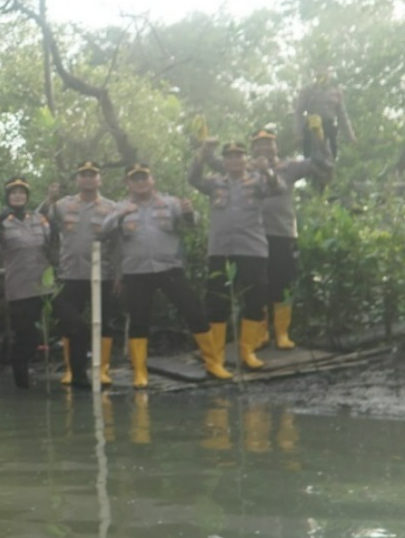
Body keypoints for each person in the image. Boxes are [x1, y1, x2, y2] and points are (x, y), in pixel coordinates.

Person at [205, 127, 331, 351]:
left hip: (282, 232)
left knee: (282, 283)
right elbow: (213, 161)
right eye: (259, 144)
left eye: (269, 143)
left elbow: (320, 162)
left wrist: (319, 136)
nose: (265, 147)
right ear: (252, 149)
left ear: (276, 146)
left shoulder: (289, 167)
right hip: (252, 237)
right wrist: (204, 142)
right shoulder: (245, 167)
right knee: (257, 286)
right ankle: (261, 333)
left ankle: (282, 333)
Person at [101, 164, 223, 384]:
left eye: (144, 178)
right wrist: (119, 215)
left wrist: (188, 212)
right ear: (128, 183)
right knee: (139, 319)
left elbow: (192, 223)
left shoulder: (170, 203)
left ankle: (213, 363)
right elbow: (102, 232)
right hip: (136, 272)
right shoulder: (120, 207)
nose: (140, 182)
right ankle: (140, 371)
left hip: (170, 268)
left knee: (193, 310)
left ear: (152, 180)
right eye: (135, 179)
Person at [189, 139, 283, 371]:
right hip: (221, 250)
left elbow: (278, 188)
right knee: (216, 301)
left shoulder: (258, 180)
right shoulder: (215, 183)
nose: (234, 160)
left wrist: (266, 170)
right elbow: (193, 178)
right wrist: (201, 154)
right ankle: (216, 356)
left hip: (252, 249)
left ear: (245, 159)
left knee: (255, 298)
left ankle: (247, 351)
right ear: (224, 161)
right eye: (229, 157)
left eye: (238, 156)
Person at [44, 162, 120, 388]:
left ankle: (103, 369)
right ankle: (71, 369)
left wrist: (119, 274)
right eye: (83, 175)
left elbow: (117, 244)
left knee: (105, 322)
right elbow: (42, 221)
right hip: (71, 273)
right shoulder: (63, 205)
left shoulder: (111, 207)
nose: (88, 179)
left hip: (102, 274)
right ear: (77, 180)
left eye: (92, 175)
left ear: (99, 179)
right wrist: (49, 198)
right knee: (70, 323)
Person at [0, 177, 55, 389]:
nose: (18, 195)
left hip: (44, 287)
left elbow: (52, 243)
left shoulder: (39, 218)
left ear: (27, 196)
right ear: (7, 197)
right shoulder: (2, 221)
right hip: (18, 288)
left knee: (46, 333)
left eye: (21, 192)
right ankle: (21, 384)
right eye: (13, 192)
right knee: (25, 338)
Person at [295, 66, 354, 161]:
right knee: (310, 160)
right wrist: (299, 132)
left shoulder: (336, 92)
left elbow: (342, 115)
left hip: (329, 126)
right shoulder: (307, 90)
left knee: (331, 158)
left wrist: (350, 135)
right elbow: (299, 111)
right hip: (312, 127)